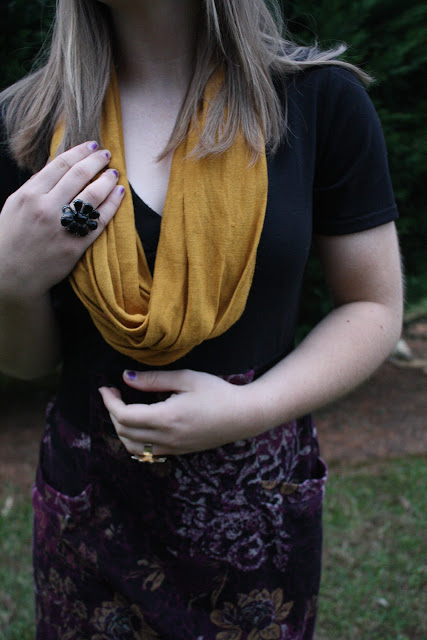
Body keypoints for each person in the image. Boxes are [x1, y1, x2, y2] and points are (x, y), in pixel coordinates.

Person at [0, 0, 403, 638]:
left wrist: (250, 409)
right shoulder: (26, 122)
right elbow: (30, 363)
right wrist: (9, 280)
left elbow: (373, 306)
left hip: (256, 509)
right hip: (91, 511)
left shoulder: (317, 100)